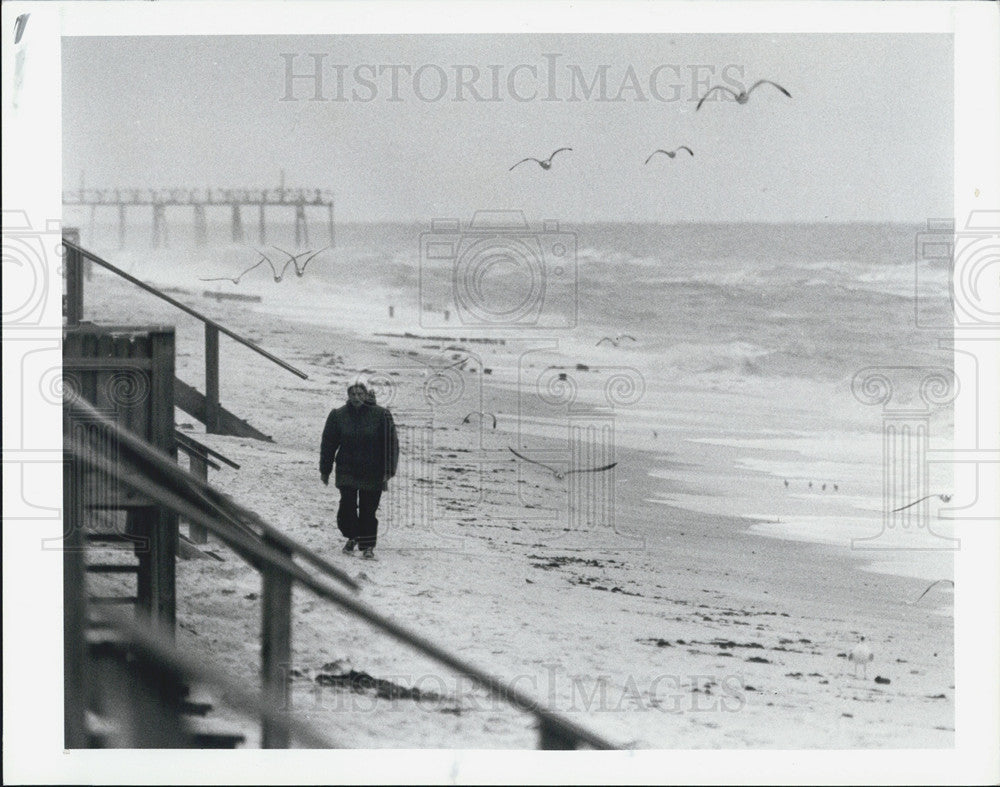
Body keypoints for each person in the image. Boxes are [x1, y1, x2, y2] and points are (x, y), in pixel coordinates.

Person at [319, 382, 399, 560]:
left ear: (366, 394)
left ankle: (368, 546)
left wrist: (388, 470)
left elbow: (391, 444)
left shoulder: (381, 415)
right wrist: (325, 470)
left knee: (368, 510)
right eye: (353, 394)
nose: (356, 397)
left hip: (373, 471)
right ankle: (352, 535)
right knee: (346, 507)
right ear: (348, 395)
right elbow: (328, 444)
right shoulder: (338, 415)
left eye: (360, 394)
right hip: (347, 469)